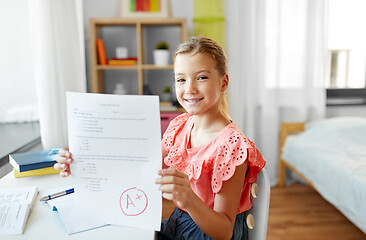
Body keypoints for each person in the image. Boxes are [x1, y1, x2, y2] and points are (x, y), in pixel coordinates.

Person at [55, 36, 266, 240]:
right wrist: (82, 162)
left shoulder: (232, 146)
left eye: (201, 77)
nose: (190, 89)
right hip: (179, 224)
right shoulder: (179, 126)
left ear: (223, 82)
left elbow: (225, 231)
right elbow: (141, 167)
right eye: (181, 79)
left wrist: (190, 200)